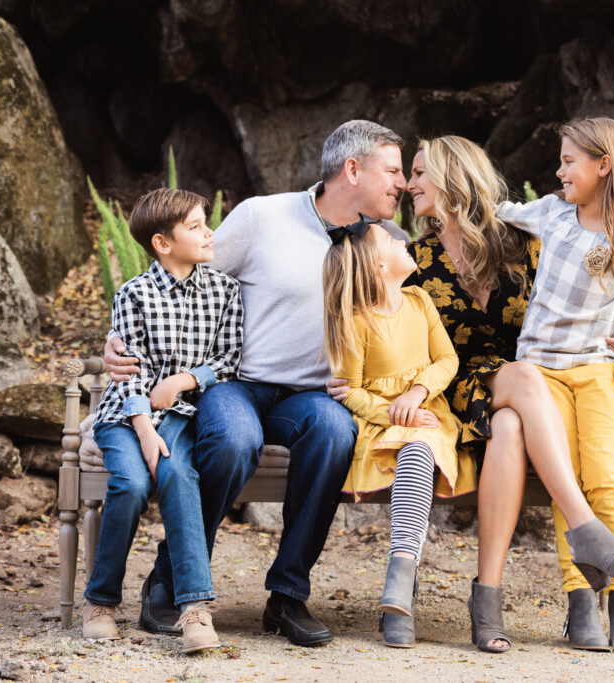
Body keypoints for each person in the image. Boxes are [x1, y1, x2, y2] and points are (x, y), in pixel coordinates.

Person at [329, 135, 614, 653]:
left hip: (527, 394)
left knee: (510, 421)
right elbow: (362, 317)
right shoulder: (413, 260)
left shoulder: (526, 243)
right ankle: (586, 529)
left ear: (452, 177)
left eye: (418, 172)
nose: (408, 184)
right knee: (521, 380)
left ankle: (487, 597)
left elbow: (590, 298)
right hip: (450, 389)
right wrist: (347, 376)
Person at [102, 120, 410, 647]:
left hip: (313, 394)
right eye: (394, 170)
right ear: (352, 169)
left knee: (336, 432)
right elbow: (180, 278)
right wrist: (117, 342)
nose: (402, 182)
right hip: (236, 383)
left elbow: (415, 319)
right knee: (234, 440)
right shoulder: (262, 216)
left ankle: (287, 596)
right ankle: (173, 576)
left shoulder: (384, 242)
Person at [497, 117, 614, 652]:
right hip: (539, 372)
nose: (559, 171)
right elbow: (500, 211)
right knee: (568, 481)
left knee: (607, 477)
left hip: (599, 366)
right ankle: (581, 604)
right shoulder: (554, 214)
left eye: (568, 161)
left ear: (604, 165)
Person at [84, 188, 242, 654]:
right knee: (130, 485)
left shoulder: (224, 290)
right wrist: (144, 428)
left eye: (204, 222)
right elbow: (128, 370)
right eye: (195, 226)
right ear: (162, 243)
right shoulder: (133, 294)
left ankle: (194, 609)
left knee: (178, 475)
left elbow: (230, 358)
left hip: (183, 415)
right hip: (125, 417)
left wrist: (185, 379)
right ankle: (100, 601)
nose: (209, 232)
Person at [322, 219, 475, 648]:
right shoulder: (355, 321)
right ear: (376, 266)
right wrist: (395, 413)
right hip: (383, 424)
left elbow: (448, 359)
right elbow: (349, 391)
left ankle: (399, 578)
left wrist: (419, 392)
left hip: (430, 415)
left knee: (421, 446)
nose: (403, 238)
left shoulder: (419, 300)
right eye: (390, 239)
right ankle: (402, 582)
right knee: (414, 446)